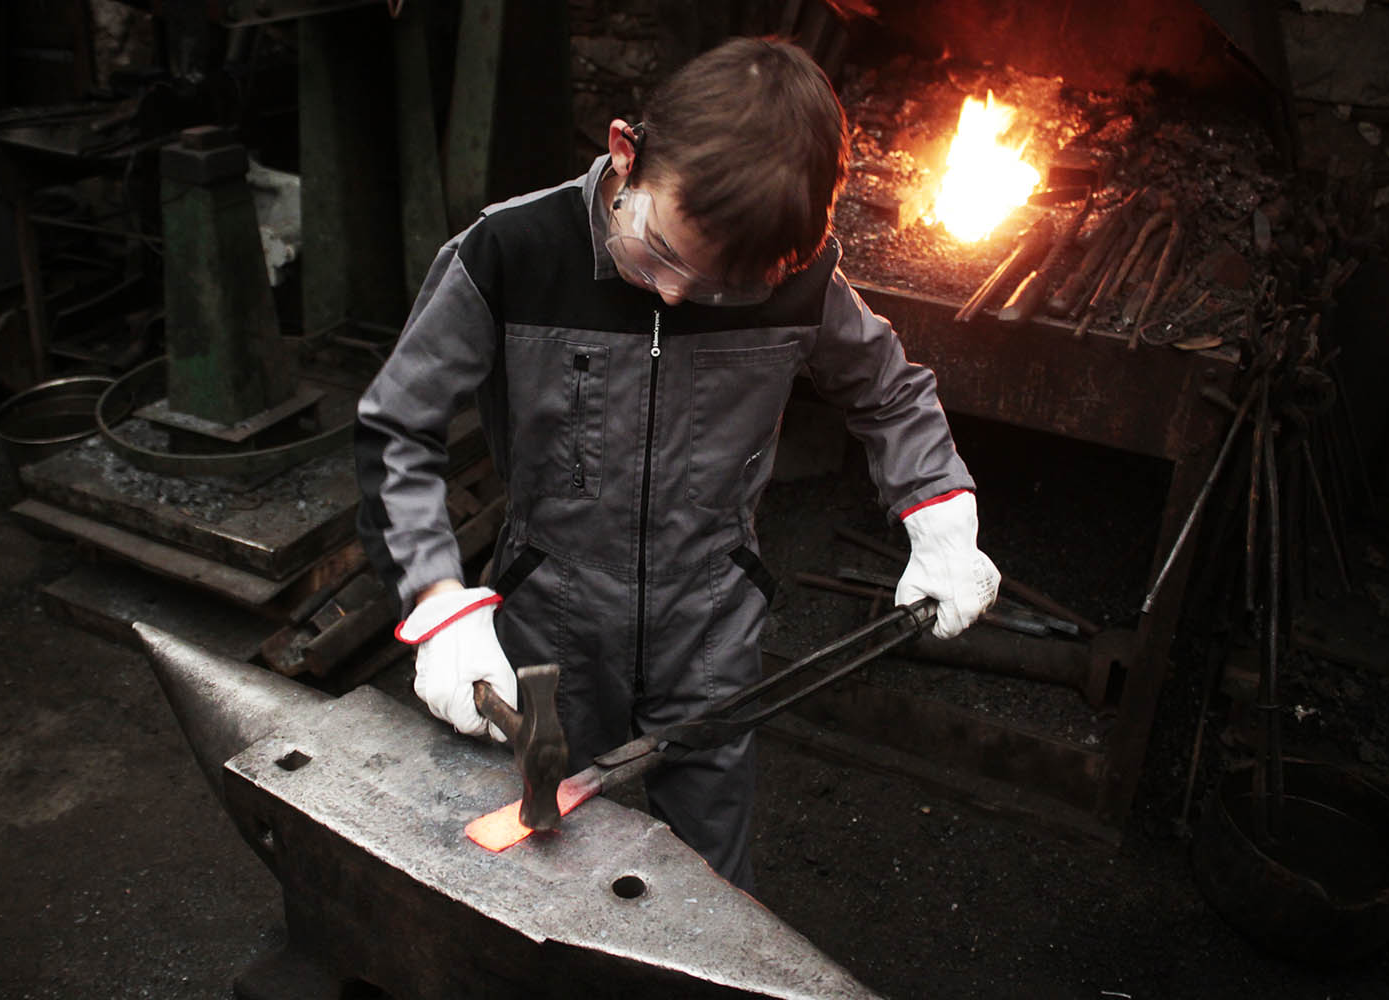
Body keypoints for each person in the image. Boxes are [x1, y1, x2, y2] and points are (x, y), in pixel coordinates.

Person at [355, 36, 1000, 891]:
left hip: (711, 628)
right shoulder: (513, 251)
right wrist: (438, 599)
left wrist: (940, 514)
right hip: (548, 620)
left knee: (705, 887)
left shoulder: (796, 278)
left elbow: (888, 392)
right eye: (660, 249)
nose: (671, 293)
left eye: (715, 285)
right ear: (626, 153)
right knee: (534, 867)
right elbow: (398, 424)